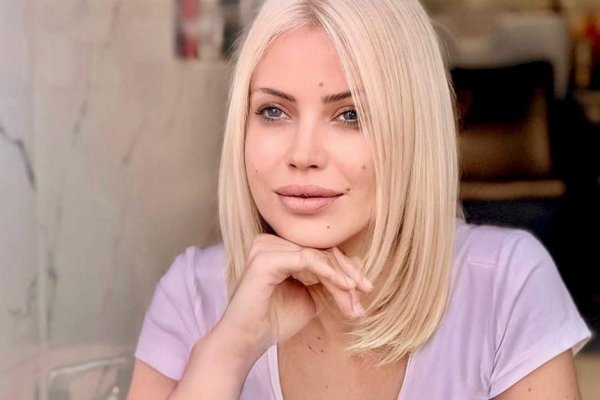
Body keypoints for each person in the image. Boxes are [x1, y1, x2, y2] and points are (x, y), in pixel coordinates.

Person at [127, 0, 593, 399]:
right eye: (273, 111)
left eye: (350, 115)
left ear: (412, 130)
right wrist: (231, 348)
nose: (303, 154)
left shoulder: (506, 284)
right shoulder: (192, 293)